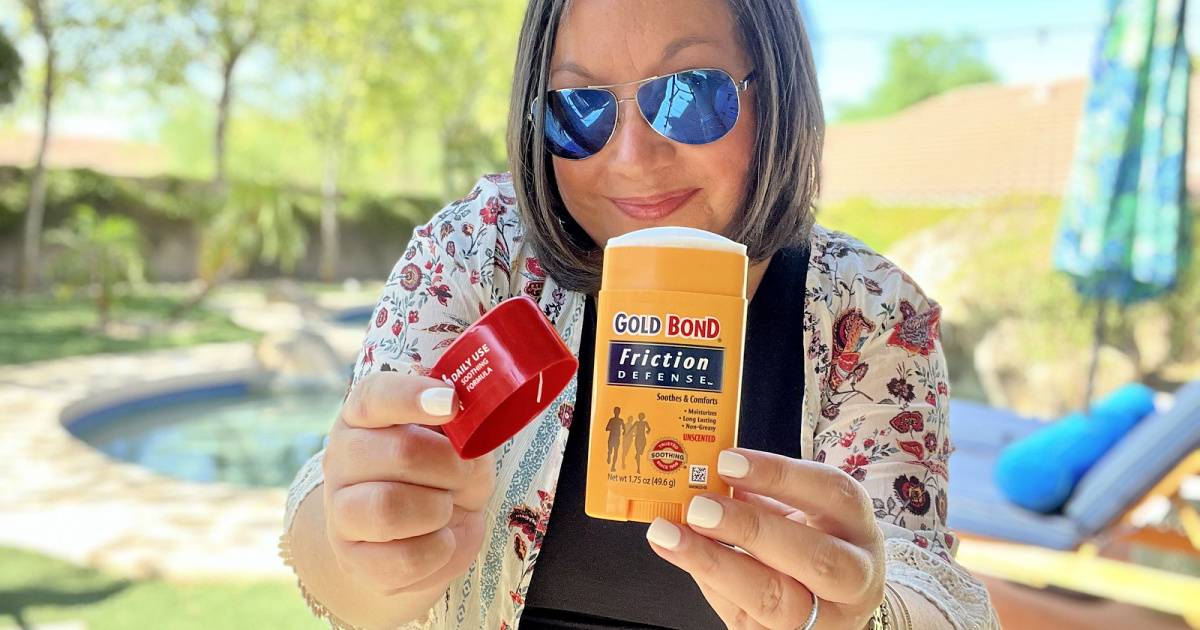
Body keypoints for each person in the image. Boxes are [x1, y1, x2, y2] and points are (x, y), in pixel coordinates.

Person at [280, 0, 1002, 629]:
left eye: (691, 94)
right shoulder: (478, 250)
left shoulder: (870, 313)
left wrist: (864, 614)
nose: (632, 158)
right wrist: (364, 551)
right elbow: (339, 519)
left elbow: (920, 580)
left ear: (775, 89)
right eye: (580, 108)